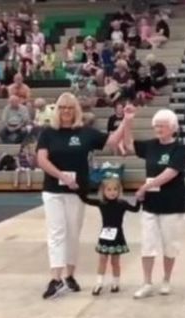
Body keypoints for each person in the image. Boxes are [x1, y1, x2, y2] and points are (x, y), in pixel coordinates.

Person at [36, 93, 135, 299]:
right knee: (56, 233)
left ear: (76, 110)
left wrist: (126, 120)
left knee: (73, 233)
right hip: (54, 190)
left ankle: (70, 276)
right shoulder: (48, 133)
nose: (66, 112)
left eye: (70, 108)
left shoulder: (85, 133)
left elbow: (112, 140)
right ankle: (55, 277)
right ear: (57, 110)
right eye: (62, 108)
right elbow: (42, 159)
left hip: (77, 192)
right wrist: (61, 175)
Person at [122, 109, 185, 299]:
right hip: (150, 203)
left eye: (162, 126)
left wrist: (144, 187)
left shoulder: (179, 148)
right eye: (156, 125)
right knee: (147, 244)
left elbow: (170, 173)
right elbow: (128, 145)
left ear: (172, 128)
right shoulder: (150, 145)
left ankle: (166, 279)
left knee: (169, 244)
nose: (158, 129)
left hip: (172, 203)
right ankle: (147, 282)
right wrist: (127, 121)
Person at [78, 177, 141, 295]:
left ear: (119, 190)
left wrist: (140, 198)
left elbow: (136, 209)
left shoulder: (122, 203)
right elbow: (85, 199)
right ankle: (99, 283)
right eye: (109, 189)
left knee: (115, 262)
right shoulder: (101, 203)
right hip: (105, 235)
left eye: (115, 189)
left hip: (117, 235)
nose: (112, 192)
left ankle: (115, 283)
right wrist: (77, 188)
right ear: (103, 191)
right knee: (102, 259)